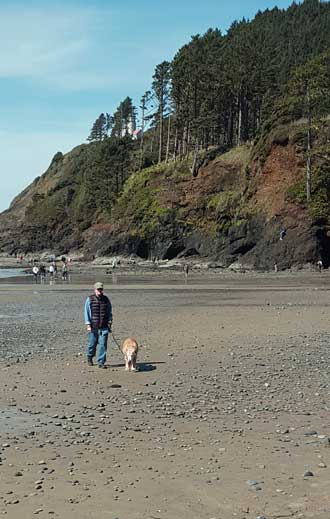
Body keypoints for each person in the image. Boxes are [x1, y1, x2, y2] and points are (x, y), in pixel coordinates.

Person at [84, 282, 113, 368]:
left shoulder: (106, 299)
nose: (100, 291)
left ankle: (101, 362)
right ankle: (89, 356)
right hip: (93, 327)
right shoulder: (89, 299)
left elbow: (109, 312)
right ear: (95, 290)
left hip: (104, 327)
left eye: (101, 289)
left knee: (103, 345)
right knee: (92, 344)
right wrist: (88, 324)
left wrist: (110, 322)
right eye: (98, 289)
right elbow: (86, 312)